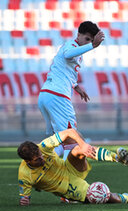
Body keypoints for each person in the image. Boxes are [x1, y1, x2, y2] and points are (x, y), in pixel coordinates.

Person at [37, 21, 105, 159]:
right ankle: (66, 174)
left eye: (90, 41)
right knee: (71, 136)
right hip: (57, 96)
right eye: (86, 39)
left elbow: (65, 70)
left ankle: (42, 165)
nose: (87, 43)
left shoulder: (77, 51)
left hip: (46, 94)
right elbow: (68, 54)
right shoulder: (71, 46)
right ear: (78, 34)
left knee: (59, 140)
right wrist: (93, 45)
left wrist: (76, 87)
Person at [17, 128, 128, 206]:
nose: (42, 158)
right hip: (68, 187)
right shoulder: (24, 175)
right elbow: (24, 198)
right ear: (27, 161)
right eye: (37, 159)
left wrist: (83, 144)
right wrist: (25, 200)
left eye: (40, 154)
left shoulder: (43, 146)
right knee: (103, 197)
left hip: (69, 167)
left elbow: (70, 132)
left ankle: (116, 158)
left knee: (79, 149)